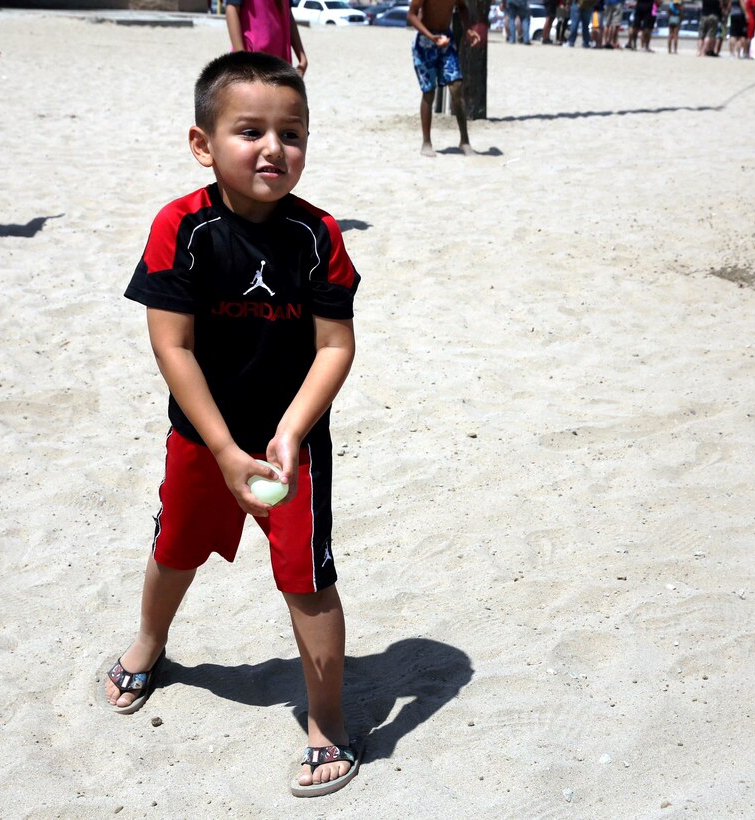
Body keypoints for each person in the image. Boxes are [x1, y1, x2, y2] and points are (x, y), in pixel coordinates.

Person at [107, 51, 362, 799]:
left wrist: (291, 431)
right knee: (175, 547)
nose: (274, 148)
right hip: (202, 435)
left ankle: (327, 722)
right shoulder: (182, 227)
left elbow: (335, 347)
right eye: (250, 131)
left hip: (290, 445)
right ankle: (149, 643)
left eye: (293, 133)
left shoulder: (318, 235)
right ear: (203, 144)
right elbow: (173, 344)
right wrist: (221, 447)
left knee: (308, 578)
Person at [408, 0, 481, 156]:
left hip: (446, 40)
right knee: (429, 91)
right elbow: (411, 15)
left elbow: (462, 7)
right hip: (425, 41)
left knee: (457, 86)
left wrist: (468, 29)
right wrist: (431, 37)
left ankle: (464, 141)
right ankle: (426, 142)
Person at [224, 0, 307, 75]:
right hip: (252, 60)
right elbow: (232, 8)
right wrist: (241, 58)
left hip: (281, 61)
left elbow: (287, 13)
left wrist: (302, 58)